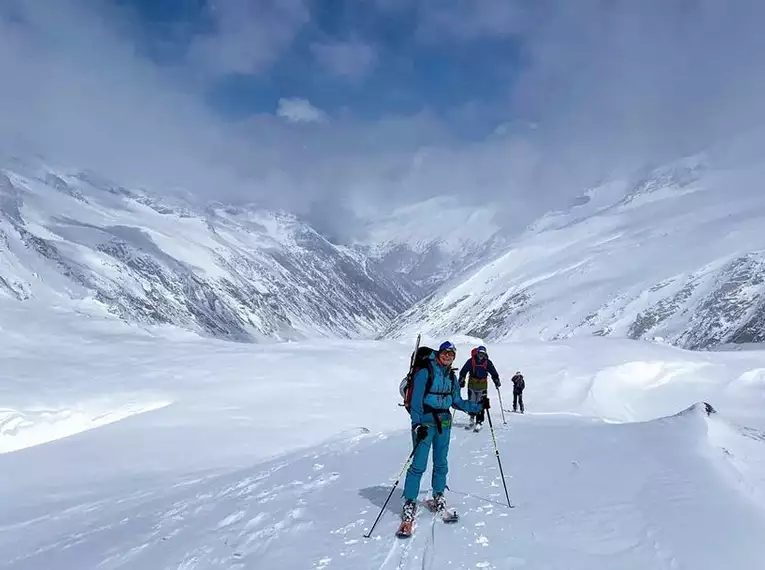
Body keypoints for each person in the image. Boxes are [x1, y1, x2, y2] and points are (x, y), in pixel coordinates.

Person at [402, 341, 488, 522]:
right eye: (445, 353)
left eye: (452, 354)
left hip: (444, 423)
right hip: (425, 424)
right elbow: (416, 401)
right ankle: (409, 501)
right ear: (439, 353)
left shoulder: (451, 376)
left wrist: (477, 406)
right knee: (418, 464)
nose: (448, 356)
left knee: (441, 463)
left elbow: (456, 401)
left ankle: (439, 495)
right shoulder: (426, 372)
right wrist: (417, 424)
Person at [458, 345, 500, 430]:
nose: (481, 355)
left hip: (482, 386)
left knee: (481, 403)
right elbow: (463, 371)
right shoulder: (471, 361)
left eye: (483, 354)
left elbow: (493, 372)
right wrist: (461, 379)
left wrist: (496, 380)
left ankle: (479, 421)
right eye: (480, 353)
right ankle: (472, 418)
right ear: (477, 353)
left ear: (485, 354)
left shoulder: (488, 362)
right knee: (472, 402)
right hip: (472, 385)